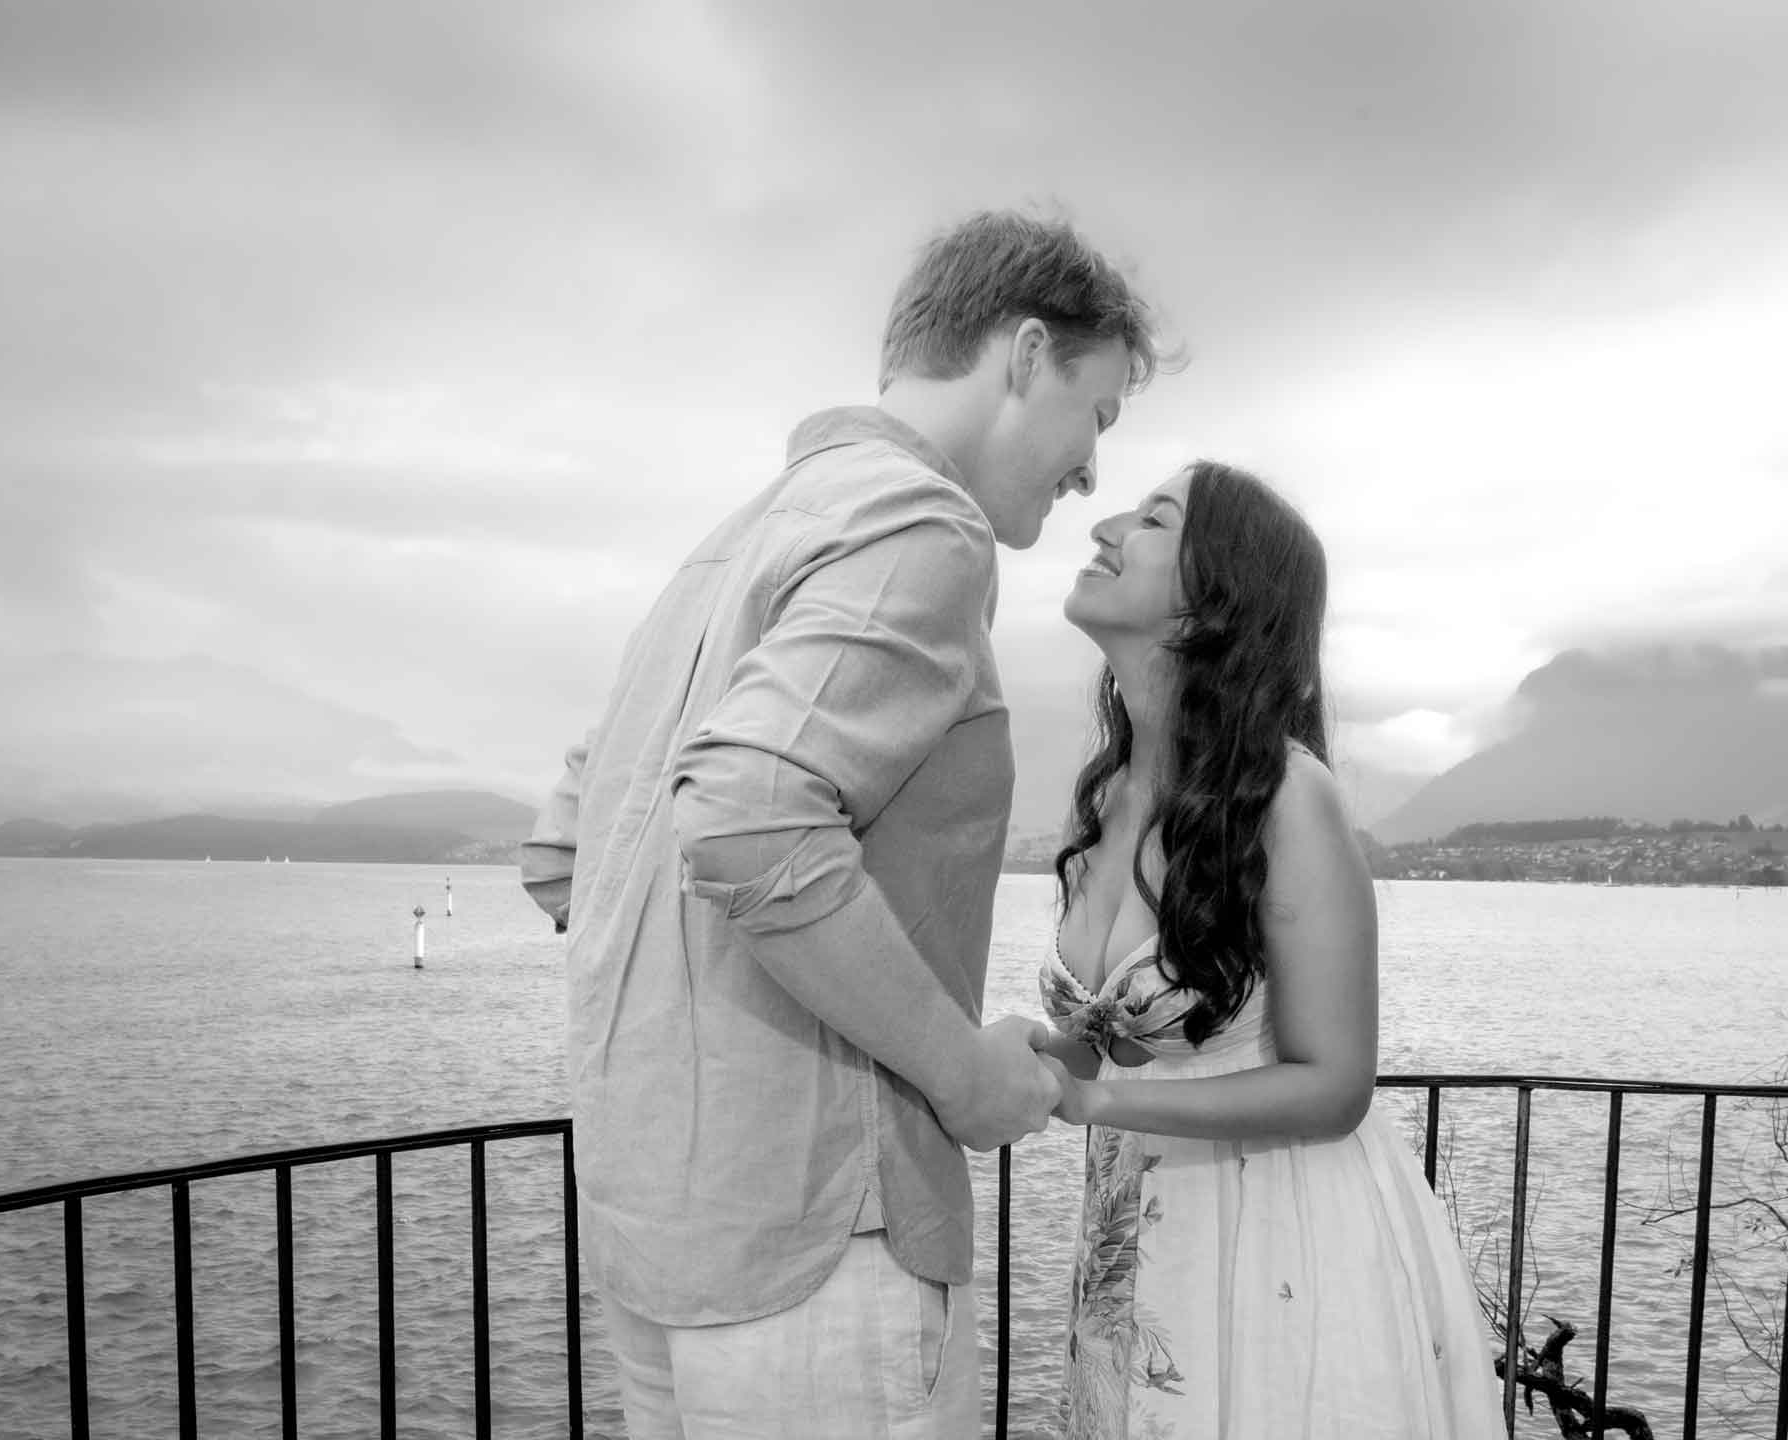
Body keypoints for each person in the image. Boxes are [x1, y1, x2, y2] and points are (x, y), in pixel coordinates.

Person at [519, 209, 1171, 1438]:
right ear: (1026, 355)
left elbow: (569, 857)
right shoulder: (921, 524)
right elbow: (753, 819)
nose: (1091, 470)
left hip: (658, 1244)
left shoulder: (727, 549)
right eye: (1099, 415)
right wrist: (955, 1066)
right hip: (819, 1255)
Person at [1035, 461, 1509, 1438]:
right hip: (1146, 1236)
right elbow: (1113, 1045)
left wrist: (1099, 1100)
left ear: (1217, 599)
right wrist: (1036, 1060)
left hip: (1281, 1238)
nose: (1107, 525)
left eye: (1156, 515)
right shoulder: (1110, 794)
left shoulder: (1290, 799)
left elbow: (1335, 1085)